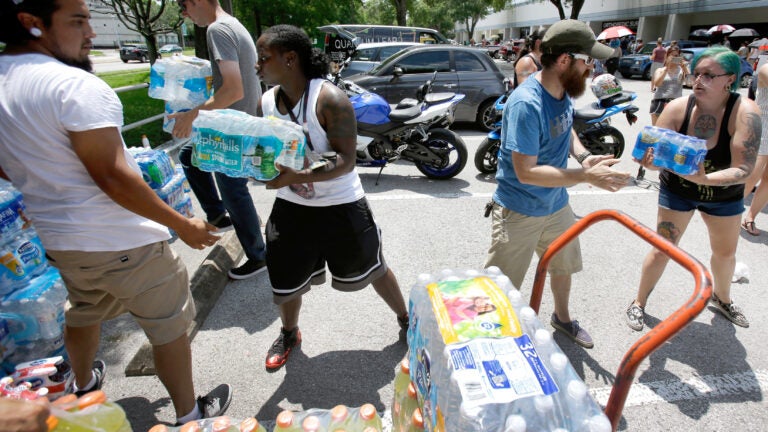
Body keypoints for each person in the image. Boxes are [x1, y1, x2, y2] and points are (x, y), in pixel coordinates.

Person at [0, 0, 233, 425]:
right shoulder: (72, 85)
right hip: (123, 241)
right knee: (169, 328)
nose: (91, 31)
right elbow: (112, 176)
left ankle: (84, 386)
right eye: (77, 21)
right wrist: (183, 225)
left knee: (85, 311)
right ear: (31, 24)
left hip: (61, 244)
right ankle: (188, 413)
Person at [254, 25, 409, 370]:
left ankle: (406, 319)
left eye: (263, 59)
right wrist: (248, 163)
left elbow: (346, 158)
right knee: (285, 277)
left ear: (290, 59)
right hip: (292, 205)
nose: (257, 66)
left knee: (373, 266)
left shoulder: (329, 98)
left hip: (341, 203)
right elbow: (263, 151)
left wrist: (300, 175)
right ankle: (289, 332)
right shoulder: (266, 101)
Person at [484, 19, 630, 349]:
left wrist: (583, 157)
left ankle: (561, 319)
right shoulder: (526, 103)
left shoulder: (562, 88)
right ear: (565, 60)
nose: (590, 67)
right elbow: (526, 172)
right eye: (586, 60)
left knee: (563, 265)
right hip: (519, 210)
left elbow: (566, 128)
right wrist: (585, 176)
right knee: (500, 286)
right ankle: (492, 339)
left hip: (556, 204)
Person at [625, 47, 760, 331]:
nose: (698, 81)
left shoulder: (745, 112)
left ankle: (722, 299)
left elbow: (744, 169)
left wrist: (705, 180)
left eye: (709, 75)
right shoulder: (677, 108)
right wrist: (647, 162)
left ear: (730, 80)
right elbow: (652, 154)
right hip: (678, 191)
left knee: (725, 254)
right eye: (696, 74)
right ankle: (638, 302)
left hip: (723, 196)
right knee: (662, 247)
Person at [170, 0, 267, 280]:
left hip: (231, 126)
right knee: (189, 156)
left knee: (234, 191)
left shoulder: (217, 29)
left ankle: (258, 256)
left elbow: (233, 89)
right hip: (237, 121)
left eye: (184, 8)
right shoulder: (234, 25)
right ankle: (217, 214)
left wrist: (192, 115)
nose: (185, 15)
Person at [742, 63, 768, 236]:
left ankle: (750, 217)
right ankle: (724, 211)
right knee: (753, 174)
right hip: (764, 126)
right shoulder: (766, 68)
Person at [650, 44, 688, 125]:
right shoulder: (660, 70)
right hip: (660, 101)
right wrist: (667, 68)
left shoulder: (682, 70)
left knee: (673, 130)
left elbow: (690, 83)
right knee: (656, 130)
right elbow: (657, 84)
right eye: (672, 56)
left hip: (675, 103)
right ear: (667, 56)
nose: (674, 58)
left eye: (677, 56)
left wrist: (685, 68)